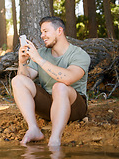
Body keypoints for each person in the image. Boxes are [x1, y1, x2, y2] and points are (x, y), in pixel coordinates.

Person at [11, 16, 90, 147]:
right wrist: (22, 62)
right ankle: (33, 129)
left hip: (74, 107)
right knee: (18, 80)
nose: (42, 35)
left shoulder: (79, 54)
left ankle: (55, 139)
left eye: (46, 31)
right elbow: (25, 77)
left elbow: (68, 79)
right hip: (49, 106)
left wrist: (39, 60)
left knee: (60, 87)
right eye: (41, 32)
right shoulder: (42, 53)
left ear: (59, 31)